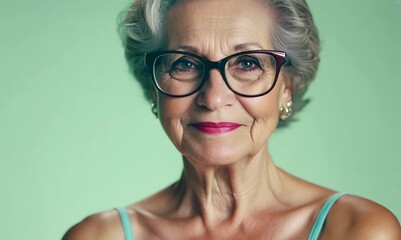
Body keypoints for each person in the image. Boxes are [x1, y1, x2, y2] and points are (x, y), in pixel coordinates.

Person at [63, 0, 401, 239]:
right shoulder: (98, 237)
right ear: (155, 89)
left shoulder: (357, 231)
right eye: (184, 63)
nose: (213, 97)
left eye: (248, 63)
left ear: (286, 88)